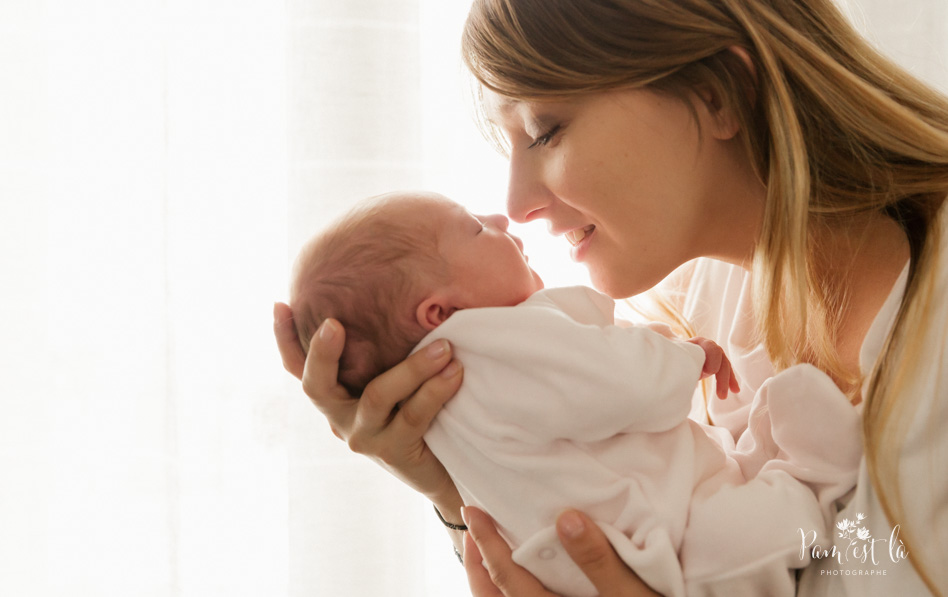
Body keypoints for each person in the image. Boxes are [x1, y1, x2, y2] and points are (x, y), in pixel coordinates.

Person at [275, 0, 948, 594]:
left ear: (721, 94)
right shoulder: (689, 300)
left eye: (544, 130)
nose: (515, 203)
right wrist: (454, 477)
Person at [289, 190, 860, 597]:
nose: (506, 210)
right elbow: (623, 383)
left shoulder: (452, 389)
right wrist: (689, 356)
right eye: (474, 227)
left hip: (622, 548)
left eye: (546, 130)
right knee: (762, 525)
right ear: (440, 312)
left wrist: (446, 494)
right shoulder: (493, 349)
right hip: (667, 548)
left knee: (740, 490)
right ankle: (812, 474)